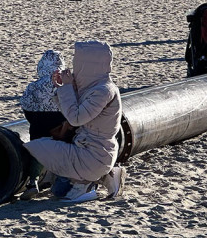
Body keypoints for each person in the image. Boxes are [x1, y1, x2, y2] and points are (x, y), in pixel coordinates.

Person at [24, 40, 126, 202]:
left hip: (95, 152)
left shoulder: (104, 91)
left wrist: (67, 87)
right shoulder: (91, 87)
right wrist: (62, 88)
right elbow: (68, 109)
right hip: (85, 147)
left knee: (58, 186)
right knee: (57, 187)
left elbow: (76, 118)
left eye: (77, 63)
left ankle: (93, 180)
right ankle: (98, 176)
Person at [19, 49, 72, 199]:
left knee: (37, 151)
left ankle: (33, 182)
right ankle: (63, 180)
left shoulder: (34, 86)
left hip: (39, 126)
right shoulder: (67, 83)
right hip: (63, 126)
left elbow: (26, 106)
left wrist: (36, 120)